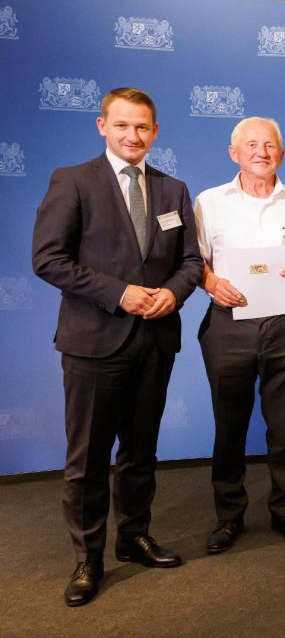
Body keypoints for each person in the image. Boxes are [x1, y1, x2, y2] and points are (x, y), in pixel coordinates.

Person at [31, 87, 203, 606]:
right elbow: (48, 259)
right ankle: (88, 558)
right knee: (86, 460)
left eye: (143, 127)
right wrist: (119, 293)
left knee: (140, 452)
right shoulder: (74, 181)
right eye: (123, 126)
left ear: (155, 132)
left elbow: (191, 262)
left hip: (155, 341)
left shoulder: (173, 190)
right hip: (94, 342)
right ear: (102, 125)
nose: (134, 136)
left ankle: (134, 536)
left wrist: (171, 294)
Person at [194, 117, 285, 553]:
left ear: (281, 153)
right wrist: (212, 283)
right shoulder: (208, 203)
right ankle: (229, 516)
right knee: (228, 424)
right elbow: (192, 263)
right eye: (251, 145)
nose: (261, 152)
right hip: (227, 326)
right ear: (234, 153)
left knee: (284, 423)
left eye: (269, 145)